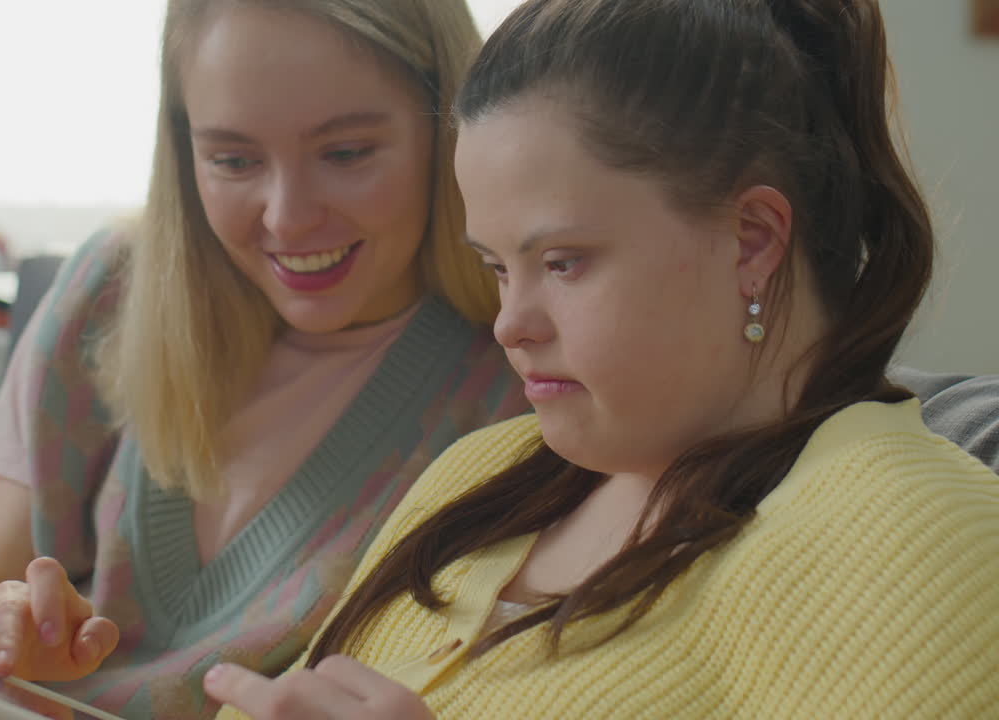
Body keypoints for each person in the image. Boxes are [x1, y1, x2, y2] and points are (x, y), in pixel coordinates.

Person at [204, 0, 999, 717]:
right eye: (496, 268)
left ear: (751, 241)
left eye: (562, 263)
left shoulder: (919, 540)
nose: (510, 325)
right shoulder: (477, 475)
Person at [0, 1, 528, 718]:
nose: (286, 217)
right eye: (233, 159)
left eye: (345, 153)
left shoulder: (520, 384)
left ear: (448, 130)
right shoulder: (111, 290)